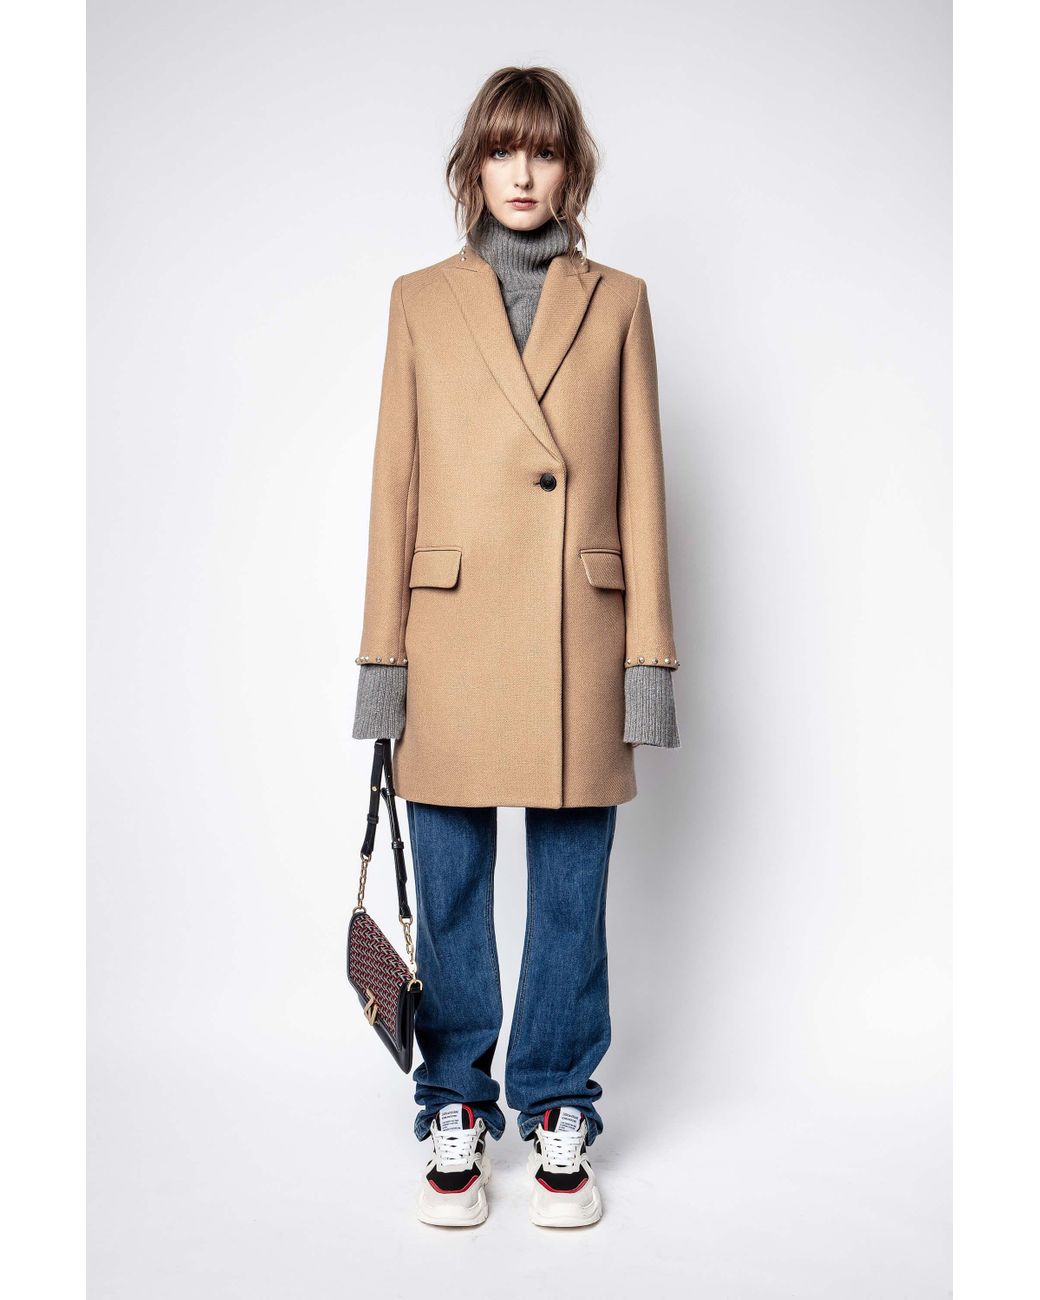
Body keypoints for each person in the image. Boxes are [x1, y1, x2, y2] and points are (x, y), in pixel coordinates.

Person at [352, 65, 681, 1228]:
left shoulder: (619, 300)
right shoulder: (418, 299)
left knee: (569, 893)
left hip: (576, 633)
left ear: (570, 166)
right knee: (448, 885)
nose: (523, 174)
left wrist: (650, 661)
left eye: (542, 151)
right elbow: (393, 487)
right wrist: (379, 664)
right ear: (473, 167)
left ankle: (555, 1100)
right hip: (446, 629)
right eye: (502, 151)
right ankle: (451, 1095)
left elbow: (640, 486)